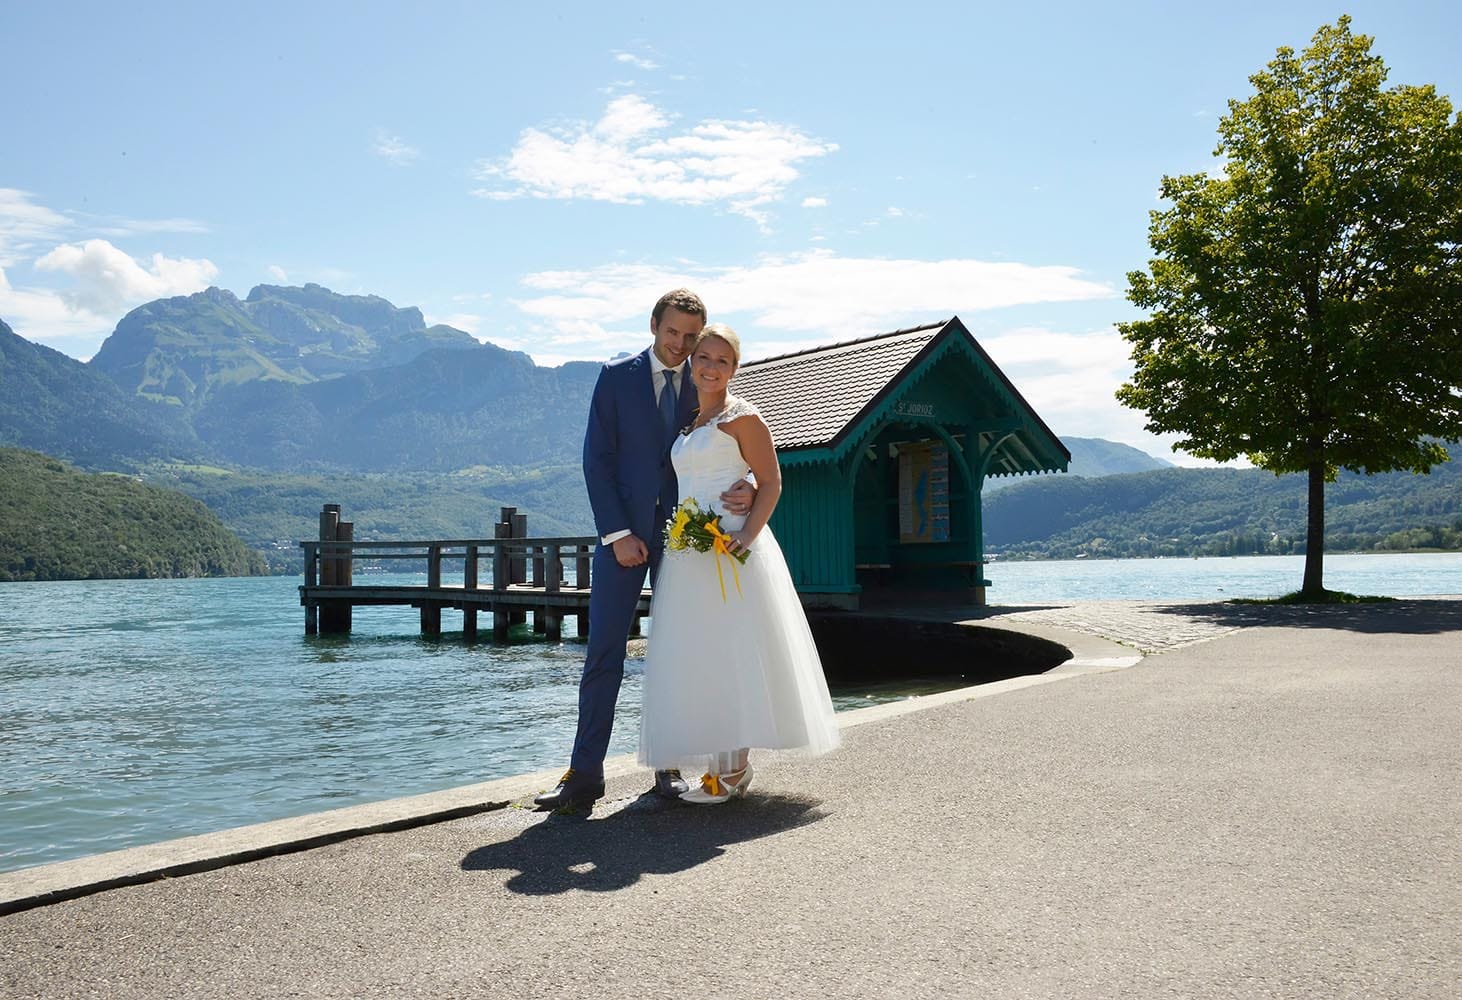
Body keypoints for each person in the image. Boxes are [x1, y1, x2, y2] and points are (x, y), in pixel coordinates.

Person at [535, 291, 756, 810]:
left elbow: (737, 446)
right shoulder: (615, 378)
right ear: (654, 325)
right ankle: (583, 776)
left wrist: (746, 480)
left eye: (689, 337)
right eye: (672, 332)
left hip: (688, 541)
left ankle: (669, 768)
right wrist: (617, 533)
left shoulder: (705, 383)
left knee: (680, 654)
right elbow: (597, 460)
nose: (679, 345)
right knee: (603, 654)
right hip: (622, 540)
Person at [638, 323, 840, 804]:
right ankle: (719, 767)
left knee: (734, 651)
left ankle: (732, 772)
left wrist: (745, 537)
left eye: (722, 361)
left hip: (730, 550)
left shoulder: (744, 418)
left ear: (735, 368)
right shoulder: (690, 422)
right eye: (703, 358)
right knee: (704, 655)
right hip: (691, 553)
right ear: (692, 362)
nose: (711, 368)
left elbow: (771, 482)